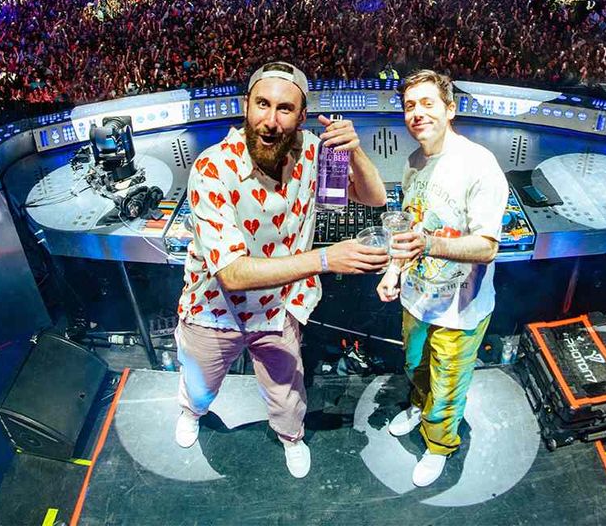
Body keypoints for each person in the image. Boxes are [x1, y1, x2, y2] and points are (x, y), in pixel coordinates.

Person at [174, 60, 389, 478]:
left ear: (301, 116)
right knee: (199, 386)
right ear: (246, 105)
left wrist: (356, 151)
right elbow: (232, 273)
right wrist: (325, 260)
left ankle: (291, 437)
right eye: (262, 104)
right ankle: (191, 412)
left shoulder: (312, 150)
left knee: (287, 391)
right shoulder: (212, 168)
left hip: (279, 308)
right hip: (214, 312)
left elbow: (374, 198)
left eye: (284, 109)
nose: (270, 121)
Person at [377, 69, 509, 487]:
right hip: (417, 296)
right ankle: (419, 406)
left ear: (450, 109)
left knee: (448, 383)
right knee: (415, 365)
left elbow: (487, 247)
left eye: (427, 103)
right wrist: (393, 270)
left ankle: (438, 445)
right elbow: (410, 226)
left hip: (461, 306)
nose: (417, 113)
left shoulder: (479, 165)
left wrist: (429, 244)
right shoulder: (413, 164)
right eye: (409, 106)